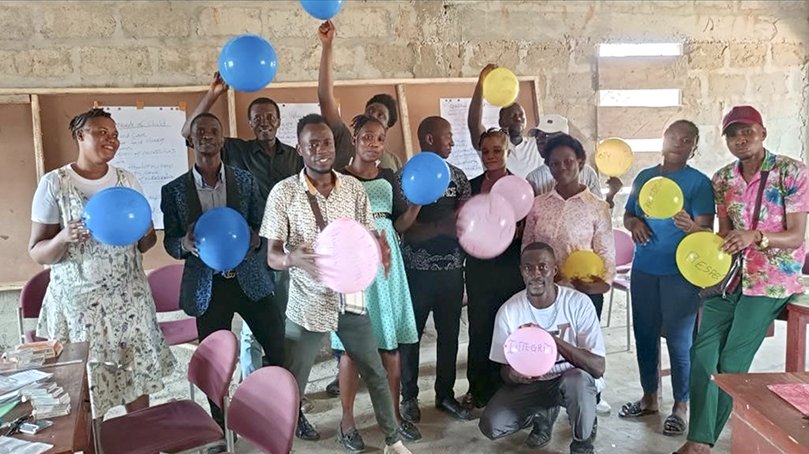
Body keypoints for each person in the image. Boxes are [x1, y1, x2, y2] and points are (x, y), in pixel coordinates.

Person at [260, 114, 412, 454]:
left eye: (326, 142)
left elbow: (365, 236)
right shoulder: (284, 193)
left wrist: (379, 248)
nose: (321, 150)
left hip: (351, 296)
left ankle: (393, 441)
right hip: (308, 301)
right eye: (312, 144)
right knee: (293, 381)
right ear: (300, 149)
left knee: (374, 371)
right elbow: (271, 255)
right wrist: (292, 259)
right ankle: (280, 443)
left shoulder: (353, 189)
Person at [676, 106, 809, 454]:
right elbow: (724, 236)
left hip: (772, 279)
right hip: (728, 277)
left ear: (763, 132)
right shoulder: (722, 179)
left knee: (732, 362)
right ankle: (699, 439)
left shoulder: (791, 171)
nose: (741, 139)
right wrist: (696, 230)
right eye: (733, 134)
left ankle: (700, 441)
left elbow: (796, 236)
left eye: (747, 131)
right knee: (702, 354)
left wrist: (756, 237)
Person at [30, 108, 176, 419]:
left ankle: (139, 436)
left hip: (130, 303)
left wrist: (146, 233)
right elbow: (37, 251)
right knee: (85, 386)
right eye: (101, 132)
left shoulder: (126, 181)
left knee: (136, 380)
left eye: (114, 134)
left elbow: (145, 245)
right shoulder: (55, 184)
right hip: (79, 308)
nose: (111, 139)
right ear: (80, 135)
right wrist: (63, 238)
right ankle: (94, 440)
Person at [181, 73, 311, 379]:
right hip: (249, 248)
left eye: (270, 116)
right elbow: (189, 133)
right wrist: (213, 94)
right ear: (250, 123)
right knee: (255, 325)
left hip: (286, 246)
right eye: (257, 118)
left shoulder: (294, 157)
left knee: (280, 321)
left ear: (279, 120)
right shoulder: (235, 149)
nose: (264, 122)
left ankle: (281, 386)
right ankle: (253, 382)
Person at [161, 113, 284, 427]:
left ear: (222, 138)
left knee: (278, 348)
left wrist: (257, 238)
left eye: (213, 131)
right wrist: (183, 244)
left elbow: (262, 224)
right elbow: (171, 242)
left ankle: (287, 415)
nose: (206, 136)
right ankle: (220, 425)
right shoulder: (174, 190)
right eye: (199, 132)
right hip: (208, 287)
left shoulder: (244, 180)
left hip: (250, 280)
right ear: (191, 140)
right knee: (215, 364)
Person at [318, 18, 405, 395]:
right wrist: (328, 47)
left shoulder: (392, 168)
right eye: (368, 122)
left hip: (385, 258)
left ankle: (391, 408)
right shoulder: (341, 152)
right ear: (355, 135)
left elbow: (399, 217)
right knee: (350, 335)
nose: (373, 134)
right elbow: (326, 99)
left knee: (387, 334)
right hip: (352, 256)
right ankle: (347, 404)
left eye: (381, 127)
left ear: (387, 134)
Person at [329, 114, 423, 449]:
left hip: (387, 267)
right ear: (354, 139)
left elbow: (398, 225)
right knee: (350, 351)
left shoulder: (388, 178)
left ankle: (394, 418)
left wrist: (415, 206)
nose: (374, 143)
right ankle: (347, 422)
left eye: (380, 139)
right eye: (367, 137)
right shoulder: (338, 179)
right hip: (354, 266)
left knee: (391, 348)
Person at [618, 120, 715, 437]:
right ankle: (649, 398)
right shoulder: (645, 178)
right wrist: (633, 224)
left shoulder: (698, 183)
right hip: (644, 269)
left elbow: (707, 232)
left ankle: (681, 406)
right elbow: (629, 214)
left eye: (687, 140)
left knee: (679, 341)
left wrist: (691, 226)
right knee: (644, 335)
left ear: (694, 148)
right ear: (663, 140)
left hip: (681, 273)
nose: (678, 142)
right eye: (673, 136)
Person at [479, 242, 605, 454]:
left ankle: (582, 444)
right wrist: (514, 375)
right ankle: (543, 414)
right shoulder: (509, 311)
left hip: (572, 381)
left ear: (554, 270)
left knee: (578, 381)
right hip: (535, 384)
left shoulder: (578, 303)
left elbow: (598, 367)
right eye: (528, 268)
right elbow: (504, 371)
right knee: (492, 426)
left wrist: (550, 339)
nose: (535, 273)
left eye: (542, 267)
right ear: (521, 272)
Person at [522, 133, 615, 415]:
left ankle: (592, 397)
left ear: (581, 162)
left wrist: (600, 286)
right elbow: (527, 247)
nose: (561, 168)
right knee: (547, 346)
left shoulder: (597, 207)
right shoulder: (537, 205)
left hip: (584, 292)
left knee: (585, 349)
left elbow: (606, 254)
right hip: (545, 293)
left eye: (568, 161)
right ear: (548, 166)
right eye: (554, 163)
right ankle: (546, 405)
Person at [399, 116, 472, 422]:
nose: (452, 141)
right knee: (410, 337)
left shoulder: (459, 178)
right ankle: (408, 397)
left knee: (449, 336)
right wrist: (440, 228)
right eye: (448, 135)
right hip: (415, 274)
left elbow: (466, 224)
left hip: (451, 272)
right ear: (429, 138)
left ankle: (445, 395)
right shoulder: (406, 176)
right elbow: (404, 227)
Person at [461, 128, 525, 410]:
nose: (490, 156)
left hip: (510, 268)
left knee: (510, 328)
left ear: (507, 152)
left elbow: (529, 228)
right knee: (480, 328)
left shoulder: (520, 187)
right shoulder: (471, 187)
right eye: (485, 151)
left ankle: (508, 390)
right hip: (479, 268)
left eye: (497, 150)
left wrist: (517, 231)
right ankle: (477, 389)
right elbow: (462, 225)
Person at [318, 19, 404, 172]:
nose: (373, 116)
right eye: (370, 111)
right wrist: (327, 45)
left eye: (381, 116)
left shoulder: (392, 161)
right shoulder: (343, 139)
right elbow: (325, 98)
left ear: (386, 129)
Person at [468, 64, 538, 178]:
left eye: (521, 115)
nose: (518, 118)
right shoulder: (493, 146)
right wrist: (481, 84)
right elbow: (474, 124)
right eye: (512, 115)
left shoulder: (536, 145)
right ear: (501, 122)